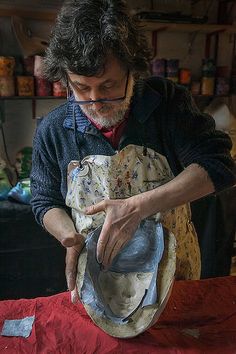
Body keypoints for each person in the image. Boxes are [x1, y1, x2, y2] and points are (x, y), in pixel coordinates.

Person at [30, 0, 236, 304]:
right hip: (101, 278)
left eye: (108, 85)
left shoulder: (167, 104)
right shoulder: (54, 129)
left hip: (171, 272)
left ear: (132, 70)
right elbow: (44, 199)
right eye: (81, 88)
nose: (95, 102)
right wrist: (68, 237)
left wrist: (138, 207)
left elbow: (219, 166)